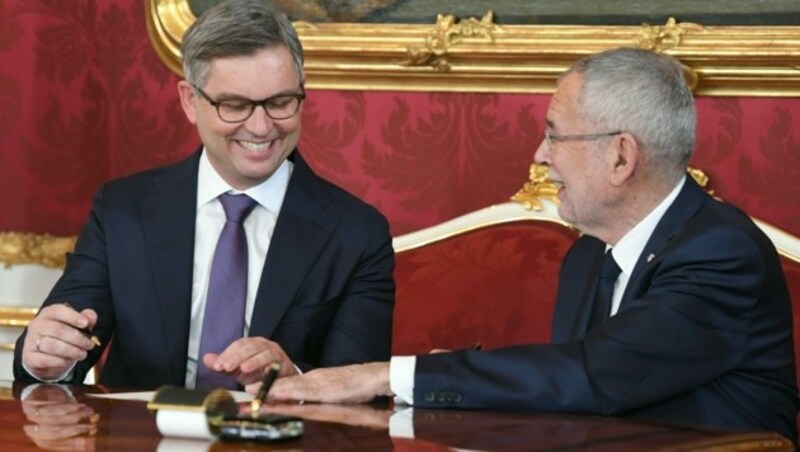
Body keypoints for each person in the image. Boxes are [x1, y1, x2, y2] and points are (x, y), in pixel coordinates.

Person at [266, 47, 799, 440]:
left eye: (555, 135)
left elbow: (593, 377)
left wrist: (386, 373)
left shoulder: (721, 253)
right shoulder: (588, 255)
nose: (540, 156)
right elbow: (564, 396)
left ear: (621, 156)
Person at [13, 0, 394, 390]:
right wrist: (45, 356)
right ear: (190, 102)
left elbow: (360, 394)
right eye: (235, 106)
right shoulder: (122, 211)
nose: (261, 127)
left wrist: (291, 376)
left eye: (280, 103)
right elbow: (63, 340)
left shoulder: (357, 234)